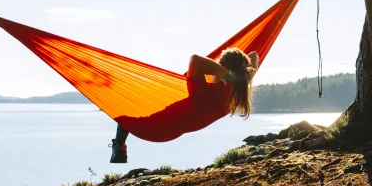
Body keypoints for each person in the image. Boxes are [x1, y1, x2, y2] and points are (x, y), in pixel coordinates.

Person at [109, 47, 259, 162]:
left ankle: (119, 148)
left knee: (124, 112)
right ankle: (119, 148)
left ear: (221, 70)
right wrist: (238, 75)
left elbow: (195, 60)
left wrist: (227, 75)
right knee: (133, 108)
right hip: (170, 130)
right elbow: (254, 55)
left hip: (156, 128)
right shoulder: (238, 92)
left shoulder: (206, 93)